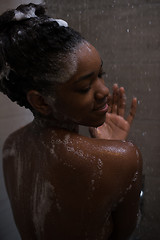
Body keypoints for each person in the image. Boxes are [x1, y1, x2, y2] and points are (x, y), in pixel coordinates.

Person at [0, 3, 142, 240]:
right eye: (85, 86)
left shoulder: (11, 147)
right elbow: (123, 234)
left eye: (100, 75)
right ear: (41, 101)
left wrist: (108, 148)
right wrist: (115, 152)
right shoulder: (123, 159)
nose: (104, 91)